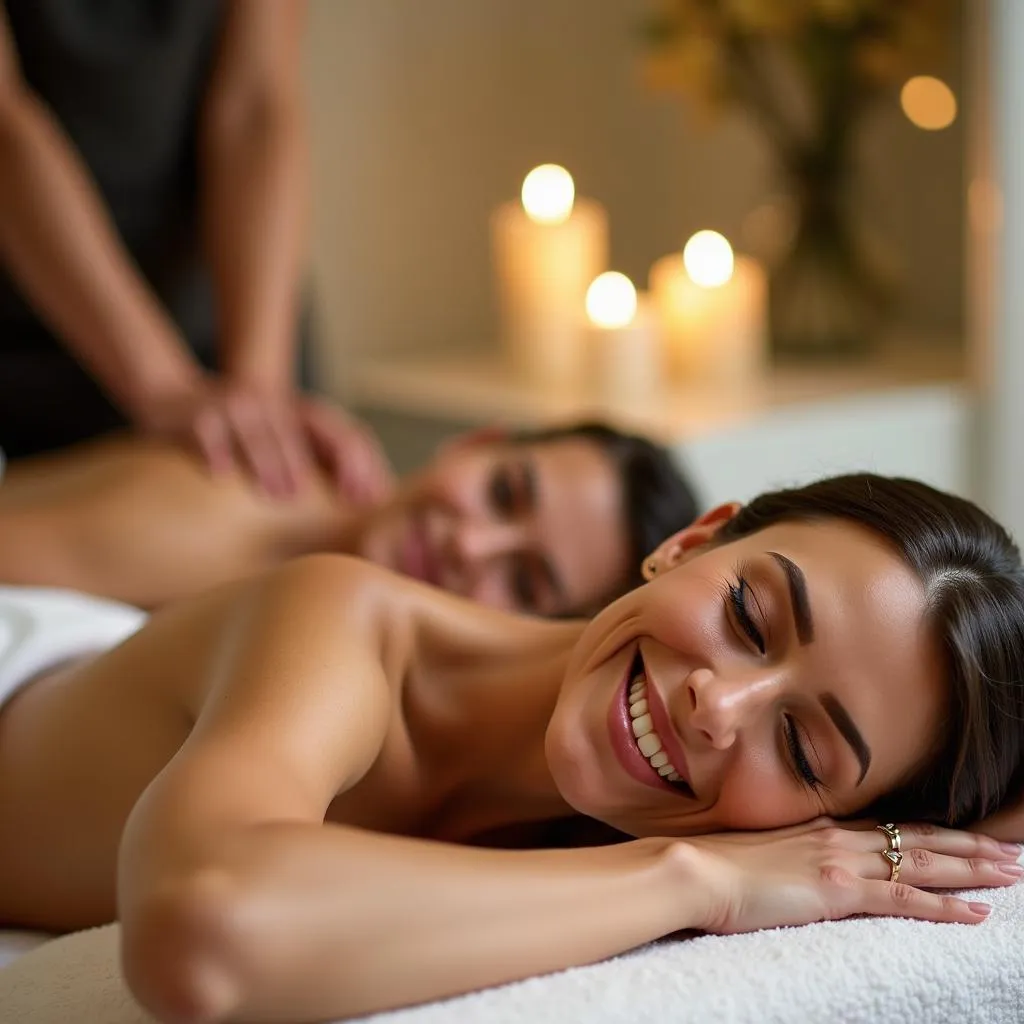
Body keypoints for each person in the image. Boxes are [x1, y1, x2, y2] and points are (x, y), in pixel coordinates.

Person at [0, 473, 1022, 1022]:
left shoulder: (588, 840)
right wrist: (693, 876)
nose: (720, 703)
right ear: (693, 539)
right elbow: (202, 930)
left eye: (801, 749)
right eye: (750, 615)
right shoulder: (347, 623)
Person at [0, 0, 391, 502]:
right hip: (31, 317)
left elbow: (258, 103)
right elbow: (7, 129)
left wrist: (259, 390)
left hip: (232, 319)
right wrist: (164, 387)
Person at [0, 420, 698, 616]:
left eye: (524, 583)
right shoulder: (239, 504)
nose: (472, 545)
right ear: (477, 443)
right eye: (504, 493)